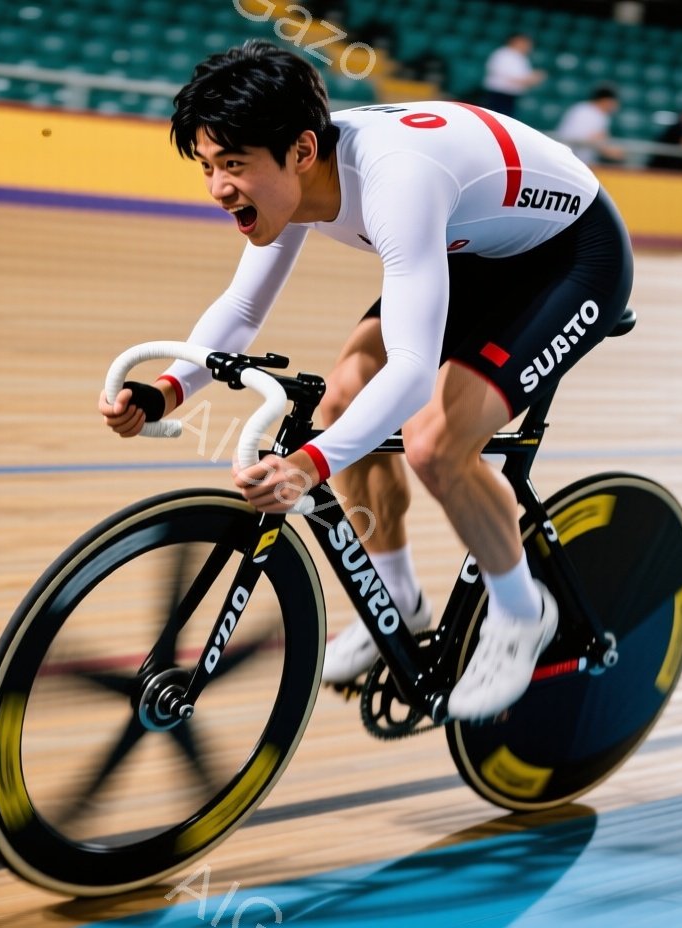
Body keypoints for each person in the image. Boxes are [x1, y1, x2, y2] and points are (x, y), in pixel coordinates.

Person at [99, 41, 633, 721]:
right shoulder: (296, 176)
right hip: (477, 245)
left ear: (300, 150)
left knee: (436, 442)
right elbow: (243, 307)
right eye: (207, 166)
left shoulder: (394, 181)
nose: (218, 188)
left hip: (572, 257)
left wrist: (305, 468)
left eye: (233, 165)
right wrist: (168, 390)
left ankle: (523, 611)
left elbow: (411, 373)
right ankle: (399, 598)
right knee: (344, 397)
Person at [554, 86, 625, 165]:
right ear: (605, 100)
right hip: (569, 159)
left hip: (584, 161)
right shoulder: (583, 110)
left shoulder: (602, 116)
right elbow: (575, 137)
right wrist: (606, 149)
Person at [479, 33, 544, 117]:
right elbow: (506, 75)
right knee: (493, 116)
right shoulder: (503, 54)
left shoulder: (522, 58)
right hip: (498, 94)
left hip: (511, 95)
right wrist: (530, 79)